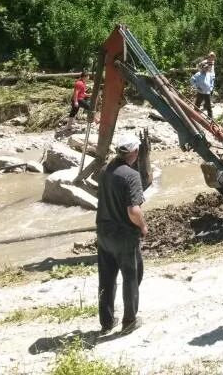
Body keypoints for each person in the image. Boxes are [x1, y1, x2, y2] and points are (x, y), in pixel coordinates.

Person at [96, 133, 149, 336]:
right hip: (124, 236)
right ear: (135, 152)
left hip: (103, 232)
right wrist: (143, 227)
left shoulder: (104, 171)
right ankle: (129, 321)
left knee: (106, 279)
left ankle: (107, 322)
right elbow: (133, 211)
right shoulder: (131, 175)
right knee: (132, 276)